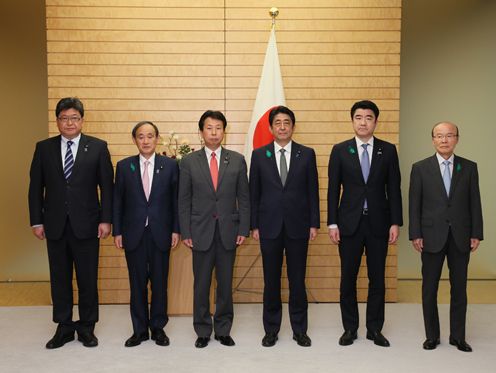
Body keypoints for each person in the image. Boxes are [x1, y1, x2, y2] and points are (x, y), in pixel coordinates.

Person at [28, 97, 113, 349]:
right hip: (54, 225)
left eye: (74, 118)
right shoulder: (43, 148)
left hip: (88, 224)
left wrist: (106, 219)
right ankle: (63, 327)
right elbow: (35, 188)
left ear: (82, 120)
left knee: (87, 278)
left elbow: (106, 187)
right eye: (64, 118)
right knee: (60, 279)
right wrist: (36, 221)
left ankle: (87, 327)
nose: (69, 122)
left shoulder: (97, 147)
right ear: (57, 121)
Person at [327, 100, 402, 347]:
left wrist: (395, 222)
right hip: (348, 224)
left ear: (376, 121)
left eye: (368, 117)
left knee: (377, 278)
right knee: (348, 278)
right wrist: (332, 223)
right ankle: (350, 328)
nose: (363, 122)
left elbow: (394, 188)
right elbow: (332, 190)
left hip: (379, 224)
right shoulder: (340, 150)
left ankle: (374, 329)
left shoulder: (388, 150)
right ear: (352, 121)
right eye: (358, 117)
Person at [178, 110, 250, 348]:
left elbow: (244, 198)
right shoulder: (189, 162)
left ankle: (223, 329)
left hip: (229, 230)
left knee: (225, 284)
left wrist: (244, 228)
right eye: (209, 128)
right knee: (201, 284)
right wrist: (186, 232)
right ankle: (202, 330)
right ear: (201, 132)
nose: (214, 132)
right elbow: (184, 200)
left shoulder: (237, 160)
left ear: (224, 131)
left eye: (218, 128)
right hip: (200, 231)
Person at [409, 121, 483, 352]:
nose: (444, 140)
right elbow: (414, 205)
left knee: (459, 288)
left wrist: (476, 233)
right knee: (429, 288)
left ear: (457, 139)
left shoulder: (469, 167)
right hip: (431, 236)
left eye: (449, 135)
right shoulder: (420, 168)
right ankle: (432, 336)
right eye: (439, 136)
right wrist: (415, 234)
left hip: (461, 236)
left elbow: (475, 203)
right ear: (432, 139)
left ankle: (458, 336)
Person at [249, 106, 320, 347]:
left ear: (293, 126)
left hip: (299, 226)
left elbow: (313, 191)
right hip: (268, 226)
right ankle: (271, 329)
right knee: (271, 281)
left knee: (297, 280)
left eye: (286, 122)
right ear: (270, 128)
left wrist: (314, 223)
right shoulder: (259, 155)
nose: (282, 127)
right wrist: (254, 225)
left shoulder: (307, 154)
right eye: (277, 123)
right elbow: (254, 193)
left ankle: (300, 329)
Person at [113, 121, 180, 347]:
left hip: (161, 233)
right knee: (137, 283)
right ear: (134, 140)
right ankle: (139, 330)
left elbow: (175, 201)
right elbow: (117, 202)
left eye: (150, 136)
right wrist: (118, 231)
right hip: (133, 234)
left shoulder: (169, 166)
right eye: (141, 136)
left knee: (160, 283)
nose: (146, 140)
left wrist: (176, 229)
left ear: (157, 138)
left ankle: (158, 328)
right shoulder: (124, 167)